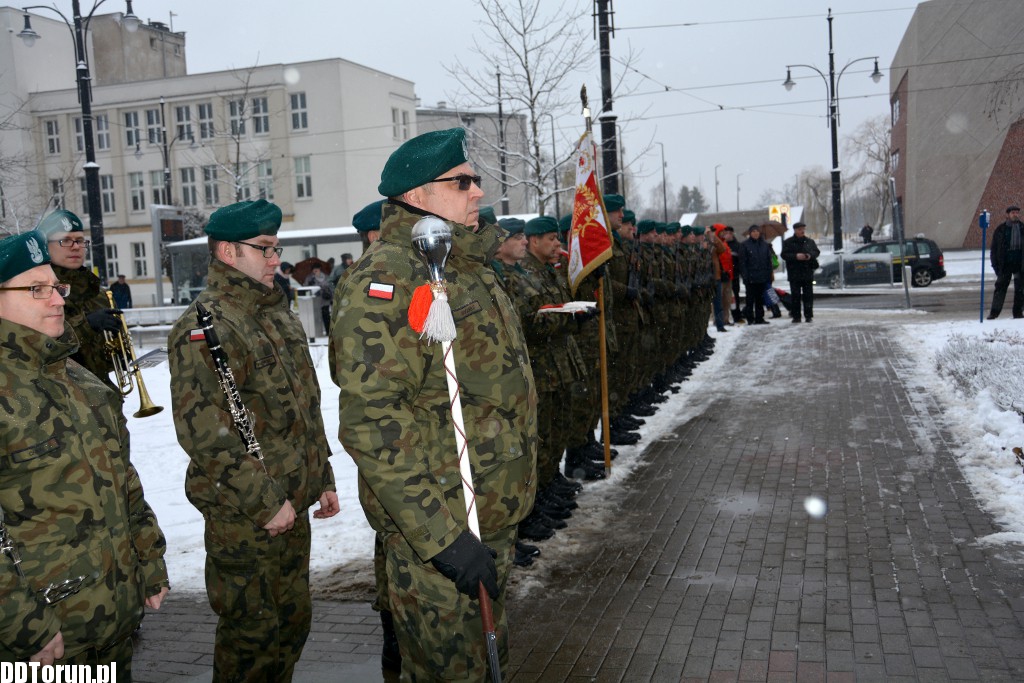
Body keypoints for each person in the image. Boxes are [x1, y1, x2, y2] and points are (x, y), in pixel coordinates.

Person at [329, 128, 537, 681]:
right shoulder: (389, 277)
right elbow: (373, 421)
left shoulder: (463, 263)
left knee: (484, 660)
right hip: (444, 528)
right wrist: (443, 540)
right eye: (462, 182)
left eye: (475, 179)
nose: (478, 192)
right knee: (454, 671)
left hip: (487, 512)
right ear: (418, 197)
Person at [167, 199, 339, 681]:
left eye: (275, 248)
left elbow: (305, 406)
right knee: (252, 642)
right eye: (263, 249)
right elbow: (207, 435)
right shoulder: (207, 326)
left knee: (291, 627)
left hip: (290, 502)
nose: (274, 260)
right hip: (247, 515)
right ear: (226, 251)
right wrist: (265, 503)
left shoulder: (275, 313)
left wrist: (321, 476)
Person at [0, 230, 169, 669]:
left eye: (56, 287)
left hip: (112, 621)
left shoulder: (78, 378)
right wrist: (20, 624)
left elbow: (124, 479)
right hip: (42, 636)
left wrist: (148, 559)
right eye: (37, 290)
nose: (57, 300)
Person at [34, 210, 120, 390]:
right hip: (56, 403)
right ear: (46, 246)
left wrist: (120, 352)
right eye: (65, 241)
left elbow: (103, 364)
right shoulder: (35, 292)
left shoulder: (100, 295)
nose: (75, 247)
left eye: (80, 241)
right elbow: (40, 349)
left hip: (103, 404)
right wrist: (86, 325)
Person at [988, 205, 1024, 320]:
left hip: (1020, 264)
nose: (1015, 215)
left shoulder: (1022, 228)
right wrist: (996, 266)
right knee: (1000, 289)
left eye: (1017, 213)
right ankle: (994, 313)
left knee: (1020, 290)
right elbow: (994, 249)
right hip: (1005, 265)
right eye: (1013, 213)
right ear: (1007, 215)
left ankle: (1018, 313)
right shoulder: (1001, 230)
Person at [781, 221, 821, 323]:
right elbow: (784, 255)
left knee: (808, 295)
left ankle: (808, 316)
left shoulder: (809, 241)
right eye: (799, 229)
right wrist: (795, 256)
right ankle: (796, 316)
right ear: (795, 230)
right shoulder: (788, 242)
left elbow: (816, 252)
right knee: (795, 296)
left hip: (807, 272)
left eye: (803, 229)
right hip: (794, 273)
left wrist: (809, 256)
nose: (802, 231)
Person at [738, 224, 774, 325]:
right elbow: (742, 263)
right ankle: (750, 318)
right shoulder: (744, 245)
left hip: (762, 277)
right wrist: (745, 277)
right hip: (751, 278)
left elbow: (768, 261)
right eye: (753, 231)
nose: (755, 233)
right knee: (750, 299)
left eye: (757, 231)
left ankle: (760, 318)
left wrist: (769, 275)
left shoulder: (765, 245)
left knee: (760, 299)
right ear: (750, 233)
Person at [303, 264, 332, 334]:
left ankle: (328, 332)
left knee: (326, 317)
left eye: (317, 269)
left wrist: (331, 299)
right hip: (315, 301)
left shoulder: (326, 276)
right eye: (314, 270)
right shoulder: (309, 278)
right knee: (316, 318)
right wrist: (310, 284)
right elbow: (305, 287)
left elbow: (330, 287)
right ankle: (317, 332)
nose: (315, 271)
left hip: (325, 300)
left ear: (320, 269)